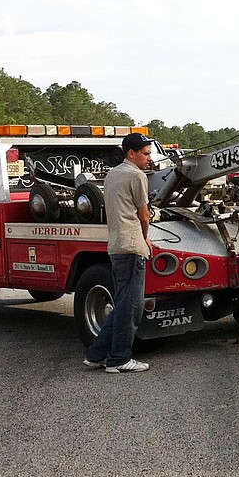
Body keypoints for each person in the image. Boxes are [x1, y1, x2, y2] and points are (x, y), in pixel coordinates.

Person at [83, 132, 154, 373]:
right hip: (132, 247)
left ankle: (96, 354)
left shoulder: (112, 174)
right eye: (145, 154)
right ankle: (120, 359)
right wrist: (145, 237)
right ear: (131, 153)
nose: (149, 158)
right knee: (131, 308)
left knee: (123, 304)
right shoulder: (137, 176)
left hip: (115, 246)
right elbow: (144, 215)